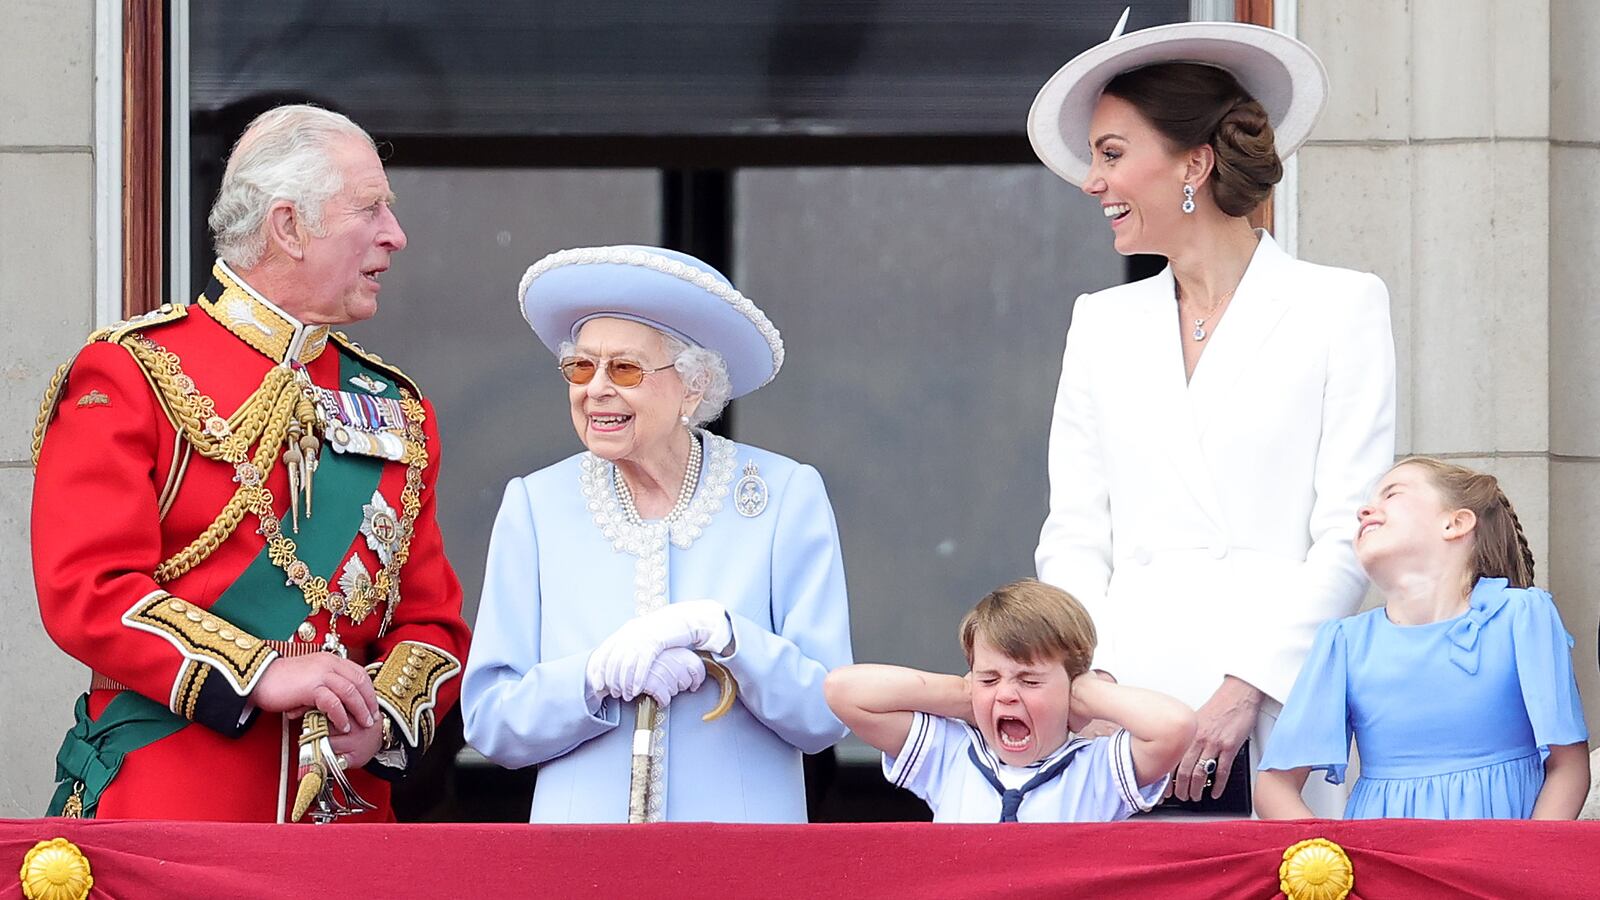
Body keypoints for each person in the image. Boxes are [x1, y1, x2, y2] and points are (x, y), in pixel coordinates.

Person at [30, 104, 472, 821]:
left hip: (346, 824)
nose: (395, 234)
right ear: (288, 227)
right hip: (171, 813)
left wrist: (380, 720)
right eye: (370, 209)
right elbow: (88, 589)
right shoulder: (134, 373)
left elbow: (433, 623)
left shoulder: (397, 406)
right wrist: (259, 672)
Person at [1025, 18, 1396, 814]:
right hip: (1125, 716)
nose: (1092, 181)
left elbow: (1350, 532)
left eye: (1111, 154)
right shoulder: (1100, 322)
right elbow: (1075, 534)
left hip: (1276, 708)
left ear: (1193, 163)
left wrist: (1248, 688)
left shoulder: (1340, 306)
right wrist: (1099, 687)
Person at [460, 245, 852, 823]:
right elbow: (490, 721)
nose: (595, 389)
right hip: (580, 856)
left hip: (740, 855)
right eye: (580, 368)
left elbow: (826, 714)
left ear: (693, 387)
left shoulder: (784, 496)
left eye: (624, 369)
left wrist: (727, 636)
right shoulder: (535, 506)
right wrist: (591, 677)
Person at [1256, 458, 1589, 819]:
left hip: (1500, 848)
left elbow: (1568, 766)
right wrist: (1327, 853)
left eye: (1391, 494)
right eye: (1367, 502)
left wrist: (1524, 854)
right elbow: (1274, 786)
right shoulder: (1345, 643)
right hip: (1384, 852)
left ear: (1455, 523)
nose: (1364, 511)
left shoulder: (1521, 616)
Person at [825, 578, 1194, 822]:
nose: (1005, 694)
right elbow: (843, 690)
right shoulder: (951, 755)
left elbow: (1175, 726)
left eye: (1029, 680)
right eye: (989, 678)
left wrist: (1086, 693)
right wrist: (962, 695)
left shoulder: (1096, 770)